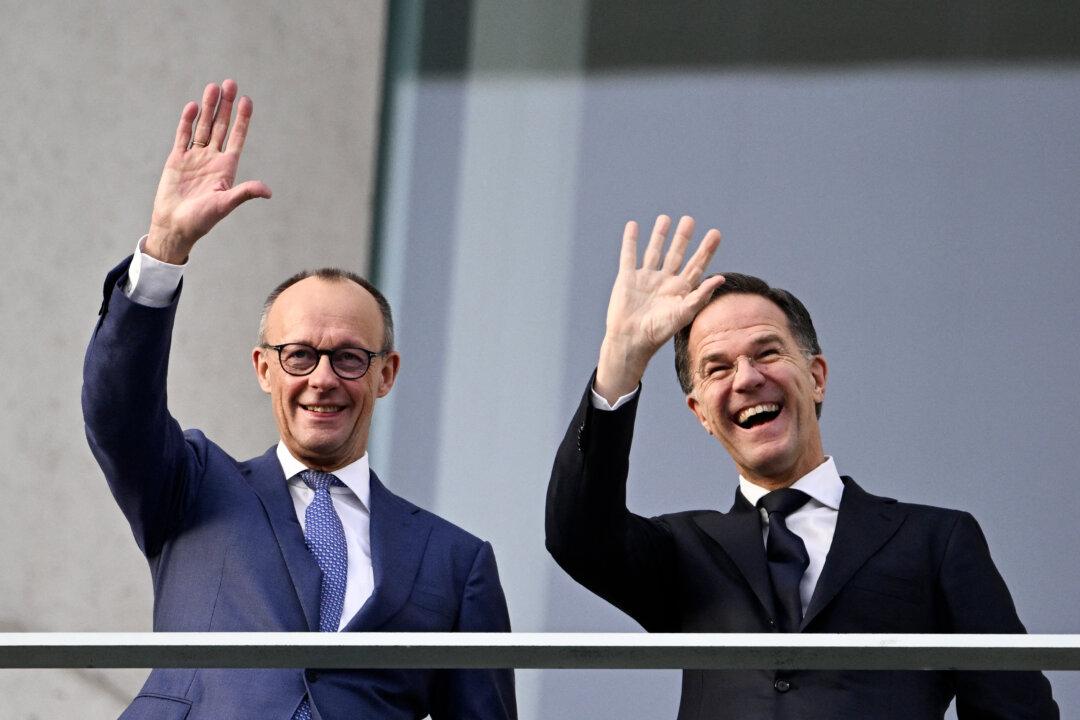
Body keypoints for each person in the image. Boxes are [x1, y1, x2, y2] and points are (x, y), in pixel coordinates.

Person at [83, 79, 516, 720]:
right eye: (299, 356)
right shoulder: (191, 487)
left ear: (386, 374)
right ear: (264, 368)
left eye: (349, 358)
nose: (323, 378)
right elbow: (117, 412)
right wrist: (166, 251)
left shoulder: (454, 561)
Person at [545, 214, 1057, 719]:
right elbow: (578, 536)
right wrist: (622, 358)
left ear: (816, 378)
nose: (746, 378)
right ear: (700, 413)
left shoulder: (935, 541)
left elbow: (1015, 710)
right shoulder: (682, 552)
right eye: (718, 368)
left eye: (767, 352)